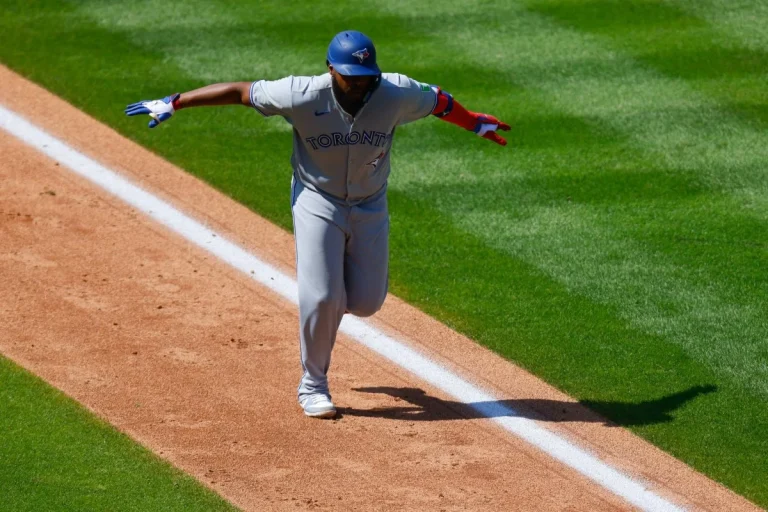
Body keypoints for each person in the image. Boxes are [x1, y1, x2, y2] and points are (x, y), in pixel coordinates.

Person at [125, 30, 510, 419]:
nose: (359, 82)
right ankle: (313, 385)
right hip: (317, 201)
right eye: (350, 75)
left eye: (365, 75)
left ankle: (327, 302)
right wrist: (175, 102)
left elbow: (440, 101)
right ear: (330, 69)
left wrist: (474, 123)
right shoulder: (301, 94)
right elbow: (242, 92)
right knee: (324, 297)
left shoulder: (395, 92)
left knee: (366, 302)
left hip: (370, 204)